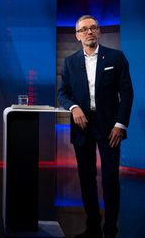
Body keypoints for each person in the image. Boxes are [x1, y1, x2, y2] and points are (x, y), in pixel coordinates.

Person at [58, 15, 133, 238]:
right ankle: (92, 225)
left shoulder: (116, 57)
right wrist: (73, 107)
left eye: (93, 28)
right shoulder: (70, 62)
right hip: (82, 126)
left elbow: (127, 93)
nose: (89, 32)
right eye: (84, 29)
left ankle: (111, 228)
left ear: (98, 32)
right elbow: (63, 93)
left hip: (110, 127)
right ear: (77, 35)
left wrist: (120, 124)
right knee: (86, 177)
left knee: (110, 177)